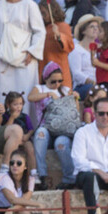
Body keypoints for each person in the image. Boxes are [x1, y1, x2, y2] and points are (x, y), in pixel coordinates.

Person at [72, 96, 108, 214]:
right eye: (101, 113)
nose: (105, 117)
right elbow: (79, 160)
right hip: (91, 174)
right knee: (90, 178)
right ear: (94, 114)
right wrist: (100, 172)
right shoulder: (82, 132)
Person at [0, 0, 45, 103]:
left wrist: (32, 52)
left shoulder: (30, 5)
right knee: (5, 96)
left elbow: (39, 32)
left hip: (26, 60)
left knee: (25, 96)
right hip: (3, 60)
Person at [29, 62, 77, 190]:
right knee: (40, 134)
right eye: (53, 81)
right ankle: (42, 175)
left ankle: (69, 178)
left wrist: (74, 98)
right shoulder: (40, 88)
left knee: (61, 144)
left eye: (60, 81)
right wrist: (48, 94)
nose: (57, 84)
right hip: (46, 128)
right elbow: (30, 97)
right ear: (45, 78)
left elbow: (74, 112)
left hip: (63, 130)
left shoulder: (65, 90)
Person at [40, 3, 73, 89]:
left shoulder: (63, 26)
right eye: (39, 13)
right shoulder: (40, 28)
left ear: (53, 11)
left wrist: (59, 35)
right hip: (42, 67)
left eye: (44, 13)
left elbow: (69, 46)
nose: (41, 16)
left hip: (59, 68)